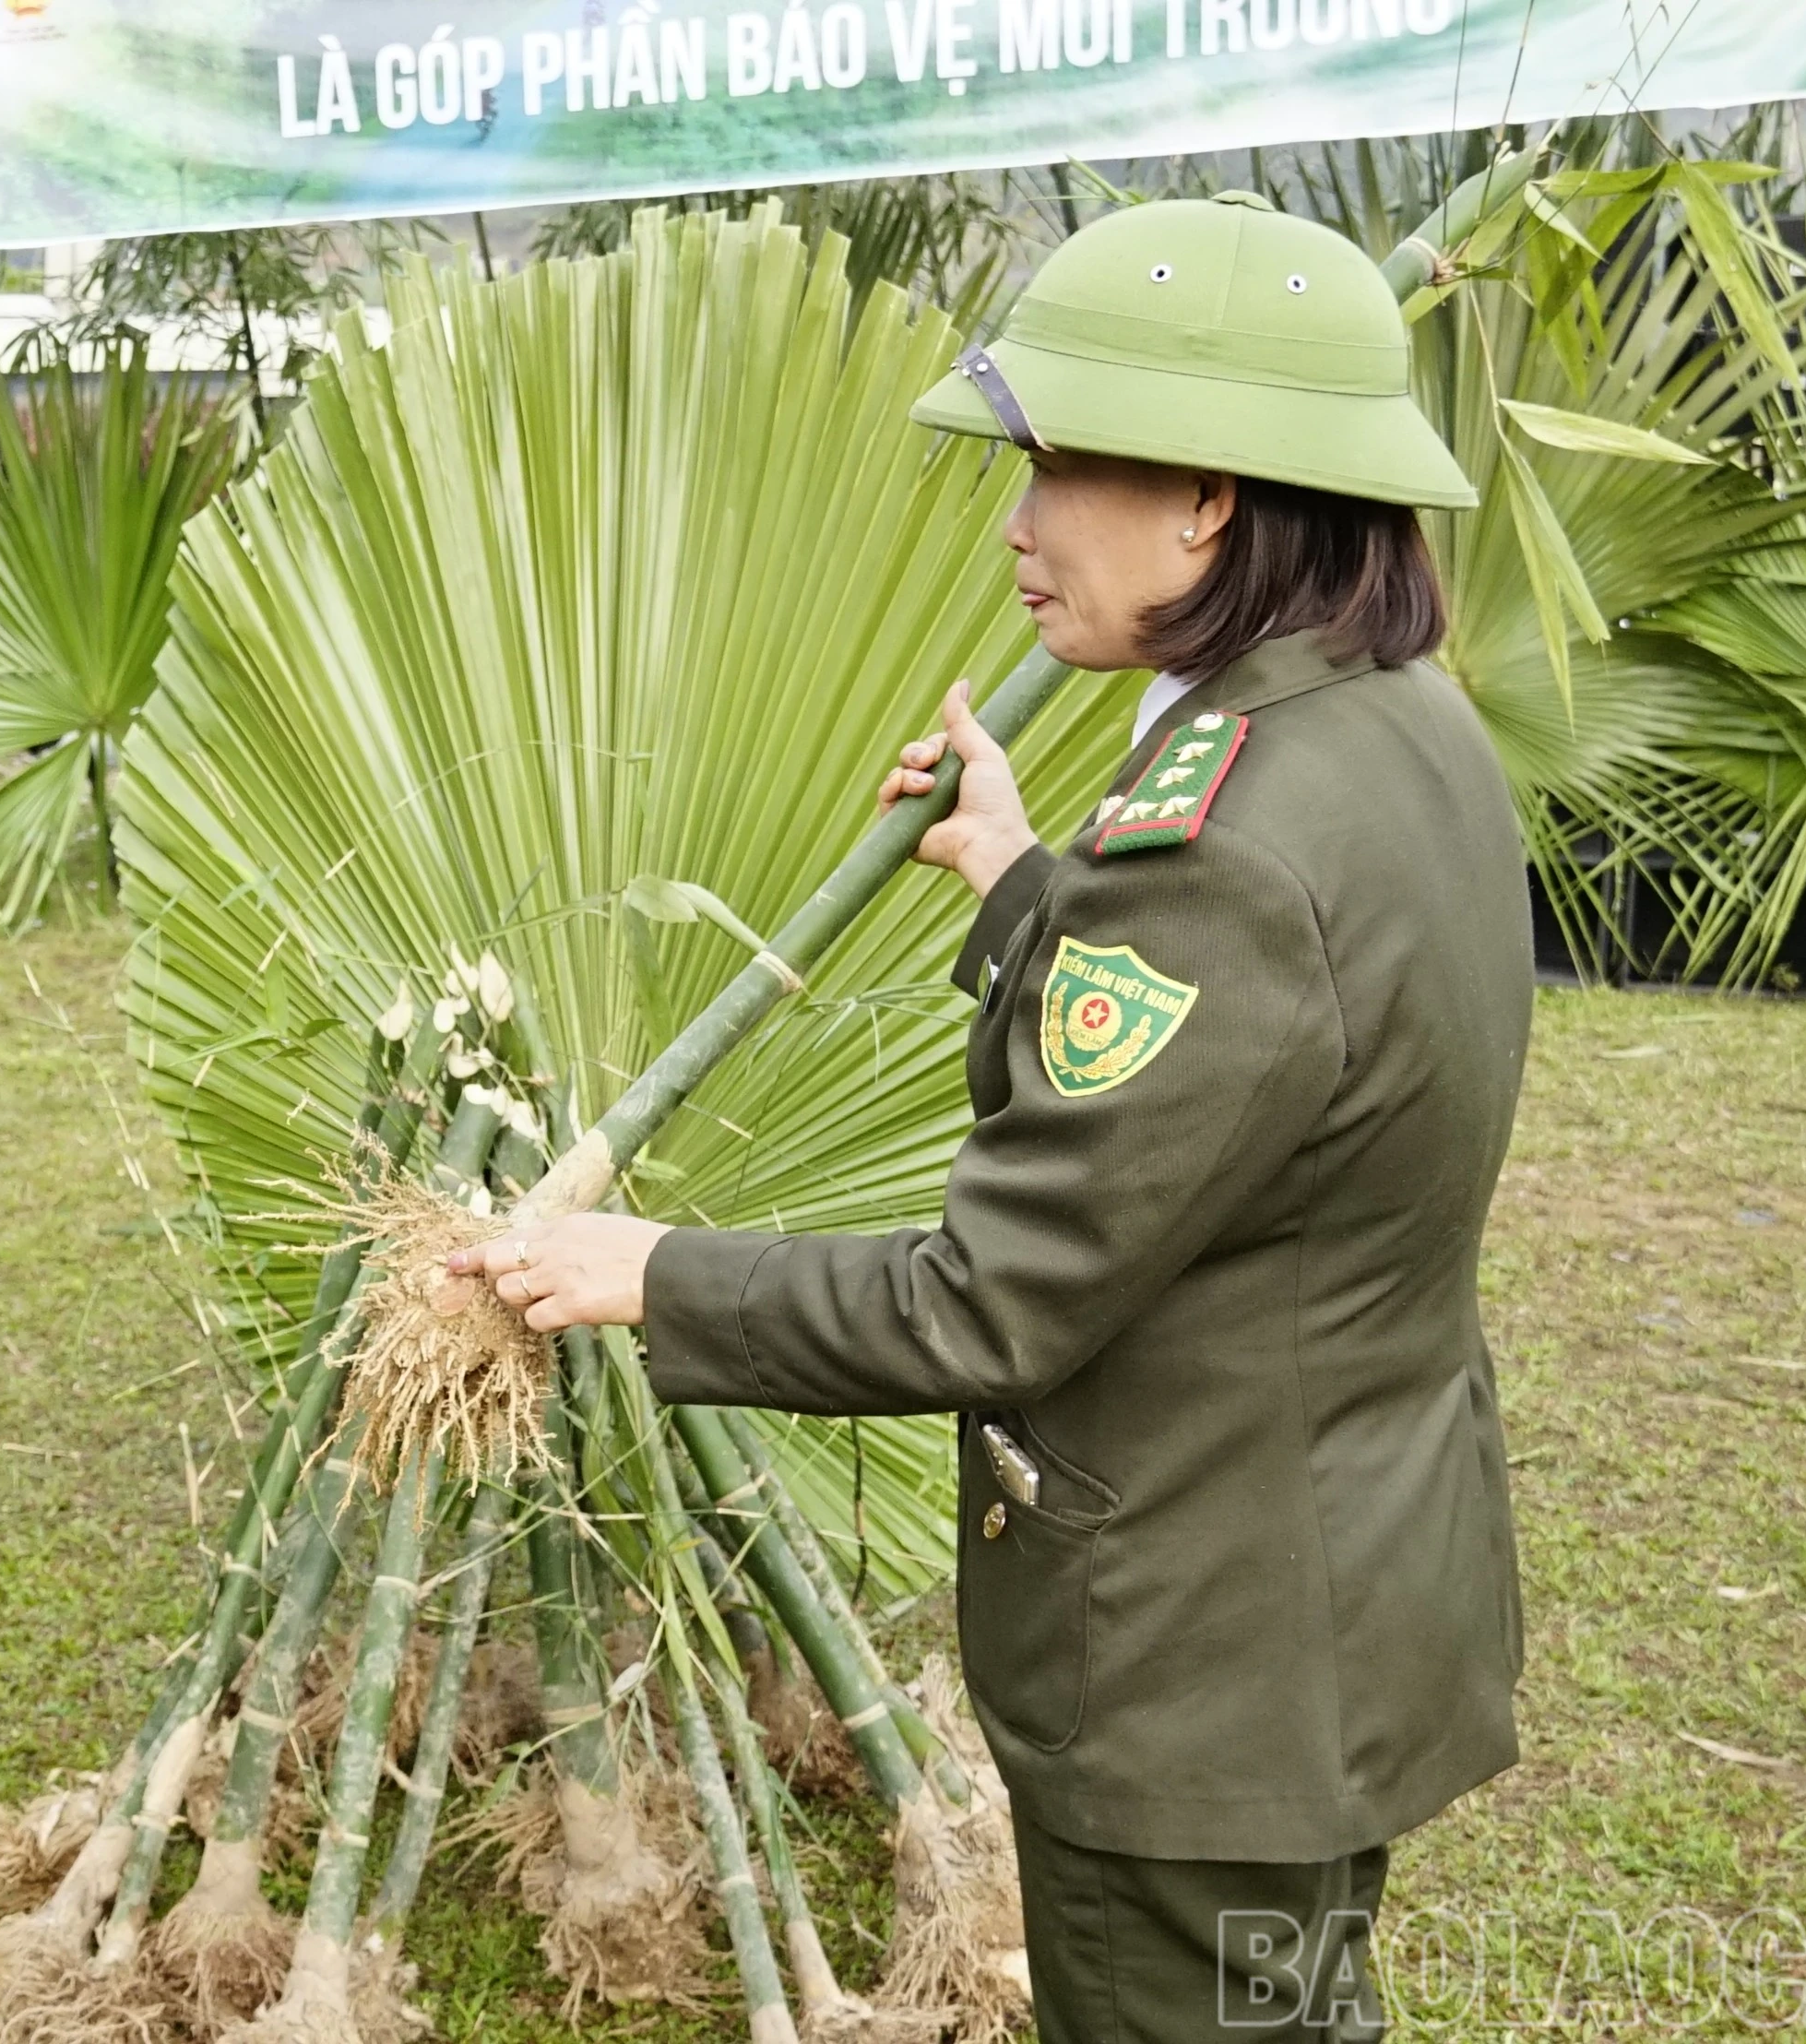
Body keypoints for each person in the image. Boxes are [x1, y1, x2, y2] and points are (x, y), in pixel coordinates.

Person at [458, 192, 1527, 2041]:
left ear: (1207, 495)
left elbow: (992, 1302)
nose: (1016, 525)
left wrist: (653, 1271)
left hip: (1195, 1668)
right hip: (1339, 1592)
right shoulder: (1395, 728)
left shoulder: (1223, 846)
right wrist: (1035, 882)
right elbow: (1275, 1062)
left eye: (1052, 466)